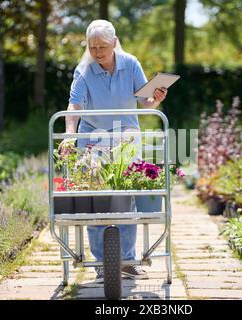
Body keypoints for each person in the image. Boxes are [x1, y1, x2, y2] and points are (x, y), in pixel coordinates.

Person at [63, 19, 168, 282]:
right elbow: (74, 107)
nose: (97, 52)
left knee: (126, 198)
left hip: (126, 138)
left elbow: (145, 100)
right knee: (96, 199)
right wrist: (68, 136)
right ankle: (102, 263)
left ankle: (128, 261)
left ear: (115, 43)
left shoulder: (130, 63)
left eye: (103, 46)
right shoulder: (84, 69)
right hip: (92, 140)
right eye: (92, 46)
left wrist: (156, 98)